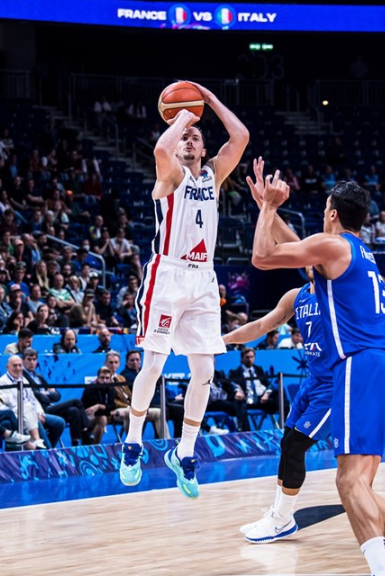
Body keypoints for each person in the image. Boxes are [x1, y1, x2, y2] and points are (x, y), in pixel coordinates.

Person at [247, 170, 385, 575]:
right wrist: (265, 210)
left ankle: (383, 572)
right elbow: (299, 246)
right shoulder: (358, 252)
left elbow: (262, 257)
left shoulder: (333, 246)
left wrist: (269, 207)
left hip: (357, 367)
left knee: (347, 484)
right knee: (358, 485)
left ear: (332, 214)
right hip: (383, 370)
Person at [119, 81, 249, 499]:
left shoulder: (213, 175)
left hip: (204, 280)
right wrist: (181, 118)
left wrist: (208, 101)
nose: (189, 137)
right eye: (184, 136)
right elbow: (161, 149)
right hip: (167, 275)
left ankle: (185, 452)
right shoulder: (169, 172)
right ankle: (133, 441)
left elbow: (241, 136)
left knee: (205, 372)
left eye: (196, 134)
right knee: (153, 365)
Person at [224, 259, 385, 543]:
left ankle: (282, 519)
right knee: (287, 442)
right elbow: (261, 325)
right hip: (313, 380)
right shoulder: (296, 296)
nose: (315, 264)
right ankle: (279, 516)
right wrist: (223, 340)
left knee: (296, 445)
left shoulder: (342, 292)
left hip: (338, 382)